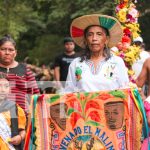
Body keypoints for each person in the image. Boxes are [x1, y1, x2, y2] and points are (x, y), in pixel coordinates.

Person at [64, 14, 129, 93]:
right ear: (85, 40)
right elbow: (68, 92)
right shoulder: (76, 64)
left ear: (106, 39)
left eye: (99, 34)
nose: (94, 38)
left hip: (111, 105)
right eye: (90, 35)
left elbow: (125, 91)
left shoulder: (117, 62)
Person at [0, 35, 39, 115]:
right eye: (3, 49)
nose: (7, 53)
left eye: (11, 50)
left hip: (22, 117)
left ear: (15, 53)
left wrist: (33, 114)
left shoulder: (24, 70)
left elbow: (35, 95)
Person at [0, 73, 26, 150]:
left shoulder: (15, 108)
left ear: (10, 89)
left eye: (6, 86)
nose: (3, 89)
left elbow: (22, 130)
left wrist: (20, 137)